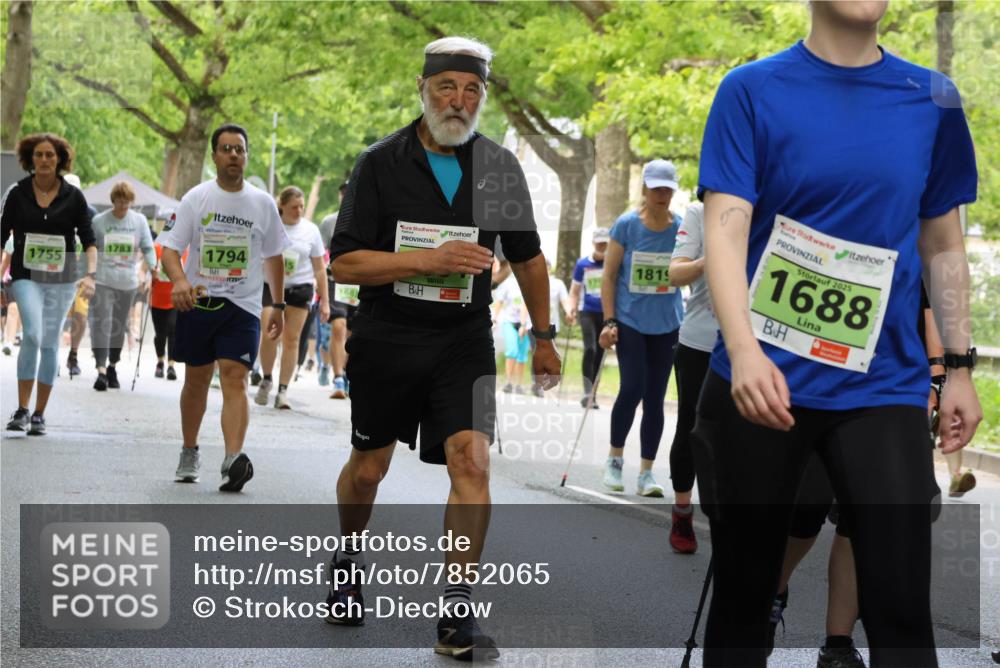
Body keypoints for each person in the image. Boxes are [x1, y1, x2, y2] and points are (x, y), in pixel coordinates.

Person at [693, 1, 982, 665]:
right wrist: (742, 352)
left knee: (903, 606)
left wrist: (960, 367)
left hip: (881, 386)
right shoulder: (750, 89)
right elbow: (726, 230)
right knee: (743, 595)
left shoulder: (933, 98)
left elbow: (942, 242)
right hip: (763, 383)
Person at [326, 36, 559, 661]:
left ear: (481, 99)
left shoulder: (499, 168)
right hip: (387, 336)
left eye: (471, 90)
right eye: (446, 88)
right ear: (424, 92)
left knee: (473, 463)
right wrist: (427, 261)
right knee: (369, 469)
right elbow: (345, 263)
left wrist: (543, 336)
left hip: (464, 339)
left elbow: (528, 258)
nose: (458, 100)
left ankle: (457, 612)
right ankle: (347, 555)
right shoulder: (381, 163)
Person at [158, 123, 288, 491]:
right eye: (227, 148)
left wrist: (276, 303)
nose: (234, 154)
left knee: (235, 375)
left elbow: (274, 255)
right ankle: (189, 449)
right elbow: (170, 249)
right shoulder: (195, 199)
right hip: (199, 301)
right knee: (196, 381)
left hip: (242, 305)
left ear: (246, 156)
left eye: (240, 149)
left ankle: (233, 459)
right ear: (214, 155)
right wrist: (180, 281)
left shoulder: (262, 202)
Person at [598, 159, 684, 497]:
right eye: (656, 187)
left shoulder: (681, 229)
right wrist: (609, 320)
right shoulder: (627, 226)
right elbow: (608, 277)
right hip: (630, 321)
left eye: (668, 188)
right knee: (632, 388)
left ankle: (646, 473)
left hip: (667, 324)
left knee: (656, 398)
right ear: (645, 188)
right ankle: (615, 460)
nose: (662, 194)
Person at [1, 133, 96, 435]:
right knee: (32, 333)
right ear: (30, 159)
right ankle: (22, 408)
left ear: (60, 160)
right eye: (39, 155)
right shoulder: (17, 193)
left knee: (50, 341)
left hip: (62, 279)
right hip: (27, 276)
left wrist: (90, 275)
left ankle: (39, 414)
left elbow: (89, 241)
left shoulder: (74, 197)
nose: (44, 160)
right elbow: (2, 234)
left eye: (50, 155)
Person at [664, 201, 715, 553]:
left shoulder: (781, 208)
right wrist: (708, 262)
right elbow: (675, 272)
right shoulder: (701, 212)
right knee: (692, 428)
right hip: (701, 341)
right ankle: (683, 510)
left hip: (758, 345)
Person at [254, 186, 329, 409]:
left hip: (300, 288)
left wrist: (324, 301)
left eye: (302, 207)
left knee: (292, 339)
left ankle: (283, 390)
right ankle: (267, 378)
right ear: (282, 206)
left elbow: (319, 268)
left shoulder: (311, 230)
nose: (298, 211)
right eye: (294, 207)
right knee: (270, 333)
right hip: (271, 286)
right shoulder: (270, 226)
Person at [88, 181, 156, 391]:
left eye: (127, 202)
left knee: (119, 325)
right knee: (103, 323)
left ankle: (112, 365)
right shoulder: (99, 221)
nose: (123, 206)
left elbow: (148, 246)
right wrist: (86, 275)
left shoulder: (139, 221)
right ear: (113, 201)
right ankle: (100, 369)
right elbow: (90, 247)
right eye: (119, 201)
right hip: (103, 280)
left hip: (127, 282)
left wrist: (153, 267)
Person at [568, 227, 609, 407]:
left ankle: (593, 394)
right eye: (599, 242)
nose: (602, 246)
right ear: (593, 243)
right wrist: (571, 309)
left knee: (600, 353)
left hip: (606, 312)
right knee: (590, 348)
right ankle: (586, 391)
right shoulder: (582, 264)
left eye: (605, 243)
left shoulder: (612, 263)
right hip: (587, 311)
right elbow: (574, 291)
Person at [528, 260, 571, 396]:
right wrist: (523, 323)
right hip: (532, 325)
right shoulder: (531, 281)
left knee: (548, 353)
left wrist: (569, 312)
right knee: (537, 351)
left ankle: (542, 382)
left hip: (552, 326)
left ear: (549, 269)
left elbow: (565, 301)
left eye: (545, 267)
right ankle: (537, 383)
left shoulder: (558, 284)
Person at [150, 242, 186, 380]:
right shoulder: (156, 249)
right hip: (157, 299)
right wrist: (150, 274)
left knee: (173, 330)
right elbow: (145, 267)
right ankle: (160, 362)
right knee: (160, 333)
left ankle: (171, 365)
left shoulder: (184, 250)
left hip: (175, 299)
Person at [492, 272, 529, 394]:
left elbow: (527, 306)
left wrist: (524, 325)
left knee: (522, 354)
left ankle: (519, 384)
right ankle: (508, 382)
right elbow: (499, 302)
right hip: (509, 321)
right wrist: (495, 319)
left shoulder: (530, 283)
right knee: (512, 350)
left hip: (526, 323)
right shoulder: (508, 284)